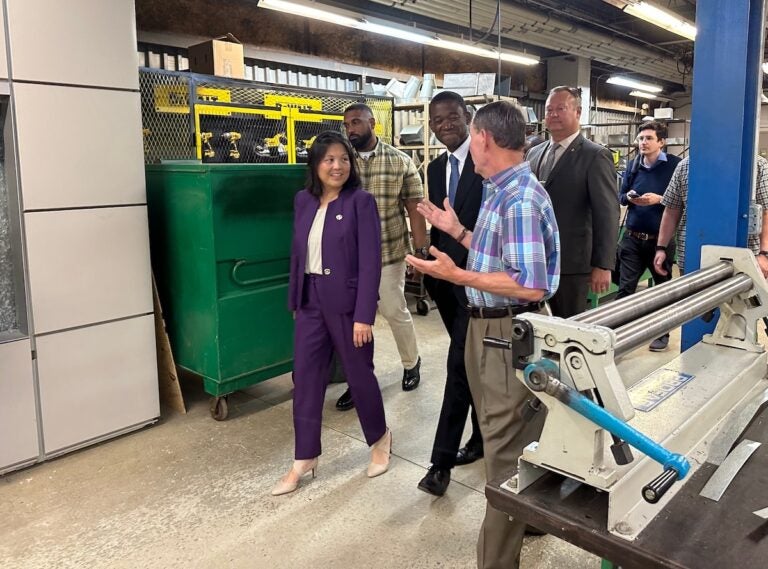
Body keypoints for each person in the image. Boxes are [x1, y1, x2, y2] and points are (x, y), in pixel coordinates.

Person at [407, 100, 560, 569]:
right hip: (487, 328)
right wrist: (460, 232)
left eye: (470, 133)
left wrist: (459, 277)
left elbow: (529, 283)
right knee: (519, 436)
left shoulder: (519, 197)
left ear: (483, 138)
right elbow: (502, 255)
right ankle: (532, 515)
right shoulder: (500, 188)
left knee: (503, 450)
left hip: (502, 331)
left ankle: (497, 559)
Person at [273, 131, 391, 496]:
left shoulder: (361, 202)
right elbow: (296, 254)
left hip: (347, 304)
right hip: (310, 301)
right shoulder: (303, 201)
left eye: (343, 159)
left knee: (359, 376)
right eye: (328, 159)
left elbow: (371, 262)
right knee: (305, 380)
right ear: (315, 165)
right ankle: (304, 457)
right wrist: (296, 299)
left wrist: (364, 315)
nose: (337, 166)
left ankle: (380, 438)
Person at [335, 103, 426, 411]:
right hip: (350, 259)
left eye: (357, 122)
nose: (351, 129)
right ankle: (358, 380)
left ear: (373, 123)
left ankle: (411, 362)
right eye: (347, 124)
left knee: (393, 309)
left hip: (389, 253)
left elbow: (415, 207)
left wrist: (421, 252)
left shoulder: (400, 161)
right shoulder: (341, 164)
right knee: (355, 321)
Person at [417, 91, 484, 497]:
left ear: (468, 116)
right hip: (445, 284)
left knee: (458, 367)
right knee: (469, 366)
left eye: (451, 118)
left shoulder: (488, 161)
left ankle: (439, 465)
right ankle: (479, 440)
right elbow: (439, 222)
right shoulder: (436, 167)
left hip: (479, 284)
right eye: (437, 121)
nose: (444, 126)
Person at [526, 86, 618, 317]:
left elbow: (607, 214)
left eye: (561, 108)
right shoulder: (534, 153)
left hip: (572, 264)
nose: (553, 114)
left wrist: (603, 264)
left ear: (577, 113)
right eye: (549, 109)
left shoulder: (595, 155)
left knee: (566, 329)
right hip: (534, 259)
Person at [617, 121, 682, 351]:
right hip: (633, 238)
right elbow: (621, 195)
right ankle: (617, 336)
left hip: (660, 241)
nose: (643, 142)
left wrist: (660, 199)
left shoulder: (676, 166)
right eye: (641, 138)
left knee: (663, 289)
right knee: (625, 288)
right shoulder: (634, 166)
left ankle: (662, 333)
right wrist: (631, 198)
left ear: (661, 142)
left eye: (648, 138)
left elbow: (683, 198)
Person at [654, 154, 768, 278]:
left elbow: (766, 211)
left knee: (742, 296)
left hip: (746, 256)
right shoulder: (685, 165)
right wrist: (661, 248)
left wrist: (764, 254)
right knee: (693, 295)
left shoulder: (756, 165)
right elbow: (671, 210)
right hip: (693, 255)